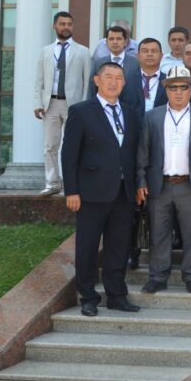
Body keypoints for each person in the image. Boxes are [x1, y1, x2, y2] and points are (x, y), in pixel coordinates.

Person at [62, 61, 141, 317]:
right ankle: (88, 297)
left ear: (124, 83)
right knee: (87, 247)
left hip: (123, 192)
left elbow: (133, 153)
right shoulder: (81, 111)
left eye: (119, 78)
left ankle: (117, 295)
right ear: (97, 80)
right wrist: (71, 191)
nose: (114, 82)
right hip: (90, 193)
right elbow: (69, 154)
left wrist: (138, 185)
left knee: (118, 247)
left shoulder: (130, 113)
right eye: (108, 77)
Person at [136, 66, 191, 294]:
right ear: (166, 90)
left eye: (184, 87)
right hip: (159, 185)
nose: (179, 92)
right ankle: (157, 276)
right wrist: (141, 181)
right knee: (159, 233)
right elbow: (143, 152)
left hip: (190, 185)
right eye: (173, 88)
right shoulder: (153, 116)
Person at [34, 11, 91, 196]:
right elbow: (39, 80)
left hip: (74, 105)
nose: (66, 27)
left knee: (75, 145)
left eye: (69, 24)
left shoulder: (83, 51)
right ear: (54, 26)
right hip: (51, 103)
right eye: (62, 24)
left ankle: (75, 183)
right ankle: (52, 183)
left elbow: (87, 81)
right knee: (50, 146)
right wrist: (38, 102)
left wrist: (85, 106)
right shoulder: (45, 51)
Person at [121, 38, 168, 119]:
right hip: (133, 124)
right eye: (145, 51)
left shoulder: (169, 81)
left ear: (161, 56)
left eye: (154, 51)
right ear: (138, 56)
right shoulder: (126, 80)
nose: (149, 54)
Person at [89, 24, 138, 97]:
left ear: (125, 42)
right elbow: (92, 88)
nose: (115, 42)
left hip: (130, 103)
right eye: (111, 39)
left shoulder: (136, 63)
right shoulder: (98, 63)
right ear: (106, 42)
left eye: (119, 39)